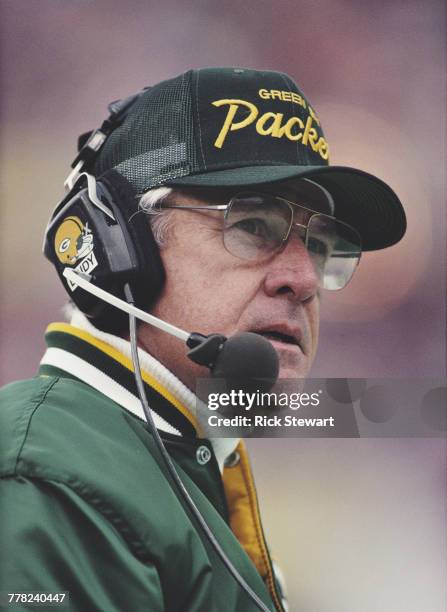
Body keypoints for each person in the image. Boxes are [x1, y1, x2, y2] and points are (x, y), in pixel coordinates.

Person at [0, 67, 406, 611]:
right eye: (254, 225)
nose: (305, 279)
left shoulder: (167, 459)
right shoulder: (53, 478)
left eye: (319, 245)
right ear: (120, 249)